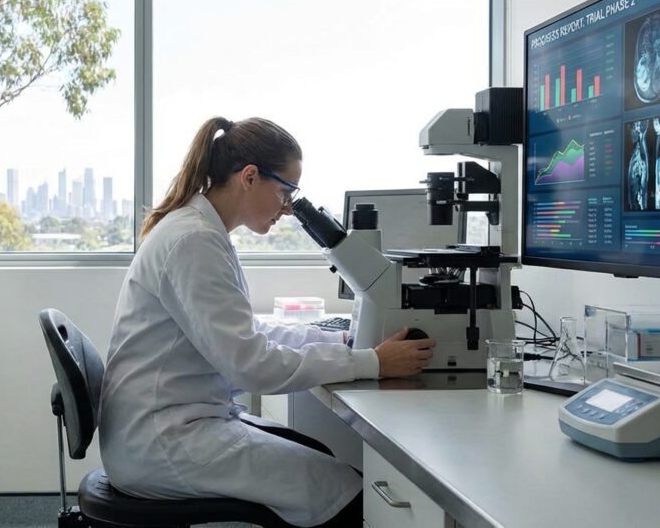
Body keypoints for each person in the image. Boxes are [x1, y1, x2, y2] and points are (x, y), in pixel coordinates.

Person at [98, 116, 436, 527]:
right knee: (344, 495)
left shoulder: (203, 230)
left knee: (324, 462)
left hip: (173, 423)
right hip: (162, 442)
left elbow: (250, 334)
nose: (288, 208)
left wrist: (343, 342)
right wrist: (373, 363)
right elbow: (252, 365)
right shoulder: (194, 241)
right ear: (250, 177)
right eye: (284, 192)